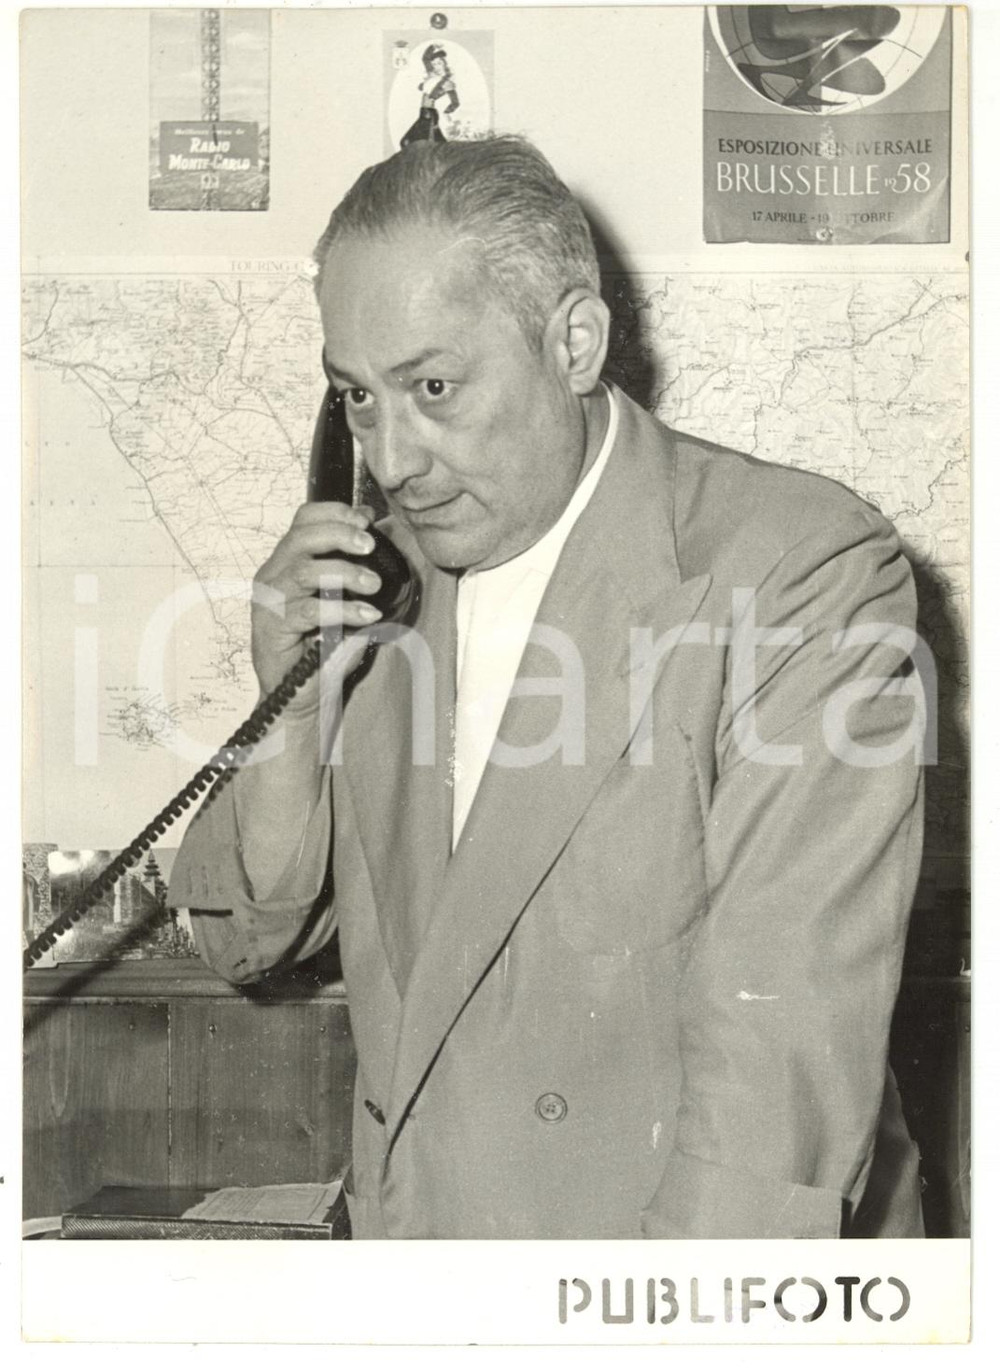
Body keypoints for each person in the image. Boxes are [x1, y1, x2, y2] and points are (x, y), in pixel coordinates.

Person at [168, 134, 926, 1240]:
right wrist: (289, 705)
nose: (391, 461)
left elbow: (776, 1073)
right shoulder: (378, 580)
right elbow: (244, 941)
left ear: (574, 341)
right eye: (359, 401)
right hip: (429, 1263)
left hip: (671, 1282)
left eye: (433, 387)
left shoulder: (803, 570)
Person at [400, 44, 459, 148]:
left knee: (408, 142)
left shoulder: (447, 82)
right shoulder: (431, 74)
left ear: (445, 64)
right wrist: (432, 47)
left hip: (429, 114)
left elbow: (455, 102)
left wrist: (448, 110)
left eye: (439, 63)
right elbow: (425, 58)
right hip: (424, 112)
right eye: (434, 64)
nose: (437, 66)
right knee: (437, 144)